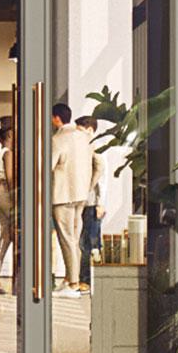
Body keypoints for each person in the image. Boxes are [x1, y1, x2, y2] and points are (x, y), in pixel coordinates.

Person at [49, 103, 94, 293]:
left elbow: (48, 167)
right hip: (81, 195)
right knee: (74, 238)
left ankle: (73, 283)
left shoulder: (58, 139)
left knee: (66, 239)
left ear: (56, 118)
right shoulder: (84, 138)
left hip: (63, 195)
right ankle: (69, 279)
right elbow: (98, 163)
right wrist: (89, 186)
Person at [75, 116, 104, 287]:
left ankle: (87, 279)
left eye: (81, 131)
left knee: (90, 242)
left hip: (92, 202)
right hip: (88, 201)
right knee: (87, 241)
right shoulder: (86, 147)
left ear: (90, 130)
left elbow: (102, 176)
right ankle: (87, 279)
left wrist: (100, 201)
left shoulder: (95, 147)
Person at [0, 176, 18, 295]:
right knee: (16, 231)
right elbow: (11, 177)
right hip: (7, 192)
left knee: (6, 235)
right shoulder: (8, 156)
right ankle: (18, 280)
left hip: (0, 191)